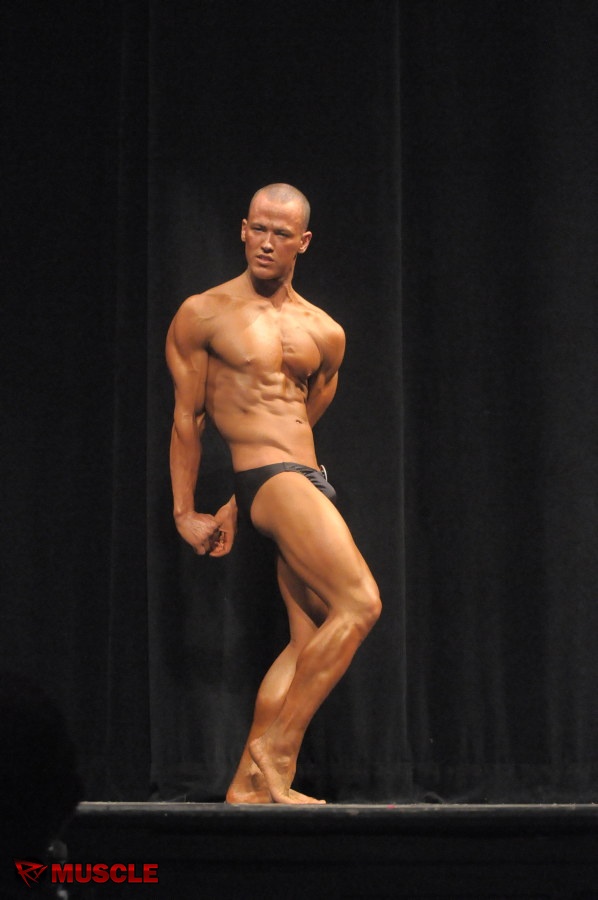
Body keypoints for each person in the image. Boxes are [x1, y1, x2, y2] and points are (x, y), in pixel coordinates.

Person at [166, 183, 381, 805]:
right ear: (242, 229)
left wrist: (239, 506)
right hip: (270, 477)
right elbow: (187, 419)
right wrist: (184, 510)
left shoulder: (326, 330)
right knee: (360, 603)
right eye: (257, 228)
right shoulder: (204, 313)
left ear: (302, 242)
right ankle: (278, 751)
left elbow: (306, 417)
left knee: (310, 639)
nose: (266, 242)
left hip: (302, 480)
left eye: (280, 233)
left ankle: (247, 787)